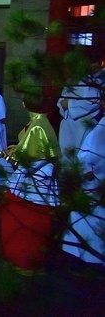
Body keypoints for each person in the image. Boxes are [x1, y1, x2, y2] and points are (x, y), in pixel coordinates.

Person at [0, 93, 61, 275]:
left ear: (25, 105)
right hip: (36, 177)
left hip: (33, 181)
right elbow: (31, 148)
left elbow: (33, 157)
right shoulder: (41, 122)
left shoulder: (38, 127)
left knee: (25, 220)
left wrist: (13, 156)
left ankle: (24, 259)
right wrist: (17, 148)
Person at [61, 93, 105, 275]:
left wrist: (83, 169)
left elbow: (93, 155)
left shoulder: (102, 128)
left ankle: (88, 260)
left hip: (95, 183)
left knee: (88, 222)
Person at [57, 64, 103, 160]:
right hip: (67, 122)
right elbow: (62, 98)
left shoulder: (94, 82)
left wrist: (70, 104)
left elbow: (93, 102)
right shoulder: (72, 80)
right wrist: (64, 104)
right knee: (66, 153)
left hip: (83, 123)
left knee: (81, 153)